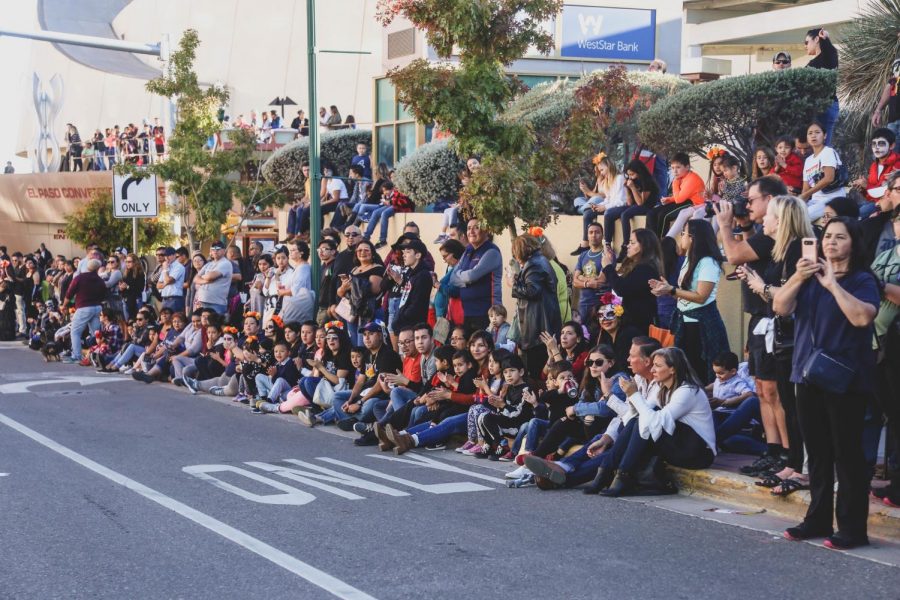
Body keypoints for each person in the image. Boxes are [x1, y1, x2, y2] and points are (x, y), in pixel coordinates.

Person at [774, 217, 879, 550]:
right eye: (827, 237)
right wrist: (798, 276)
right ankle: (817, 519)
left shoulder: (862, 279)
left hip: (845, 378)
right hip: (806, 374)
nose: (830, 243)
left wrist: (833, 284)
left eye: (839, 237)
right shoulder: (808, 277)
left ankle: (852, 529)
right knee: (817, 454)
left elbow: (862, 317)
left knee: (847, 455)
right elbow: (780, 306)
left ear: (854, 243)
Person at [715, 176, 790, 477]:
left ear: (770, 200)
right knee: (761, 389)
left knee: (773, 391)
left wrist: (724, 223)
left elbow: (734, 254)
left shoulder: (776, 238)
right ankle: (772, 451)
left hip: (773, 322)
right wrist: (745, 225)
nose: (747, 204)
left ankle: (786, 453)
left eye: (752, 199)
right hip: (758, 319)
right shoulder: (763, 234)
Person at [593, 347, 716, 497]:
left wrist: (634, 395)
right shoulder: (662, 388)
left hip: (698, 453)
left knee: (645, 422)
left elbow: (655, 422)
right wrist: (632, 398)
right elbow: (632, 419)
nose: (652, 370)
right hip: (679, 444)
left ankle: (623, 476)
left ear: (673, 370)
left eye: (658, 366)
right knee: (637, 422)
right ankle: (605, 471)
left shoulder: (688, 391)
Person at [650, 219, 728, 384]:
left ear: (693, 237)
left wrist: (671, 290)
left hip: (700, 324)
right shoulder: (688, 258)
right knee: (685, 371)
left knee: (700, 371)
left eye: (684, 233)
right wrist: (665, 289)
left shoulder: (707, 261)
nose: (681, 236)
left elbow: (701, 296)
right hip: (685, 322)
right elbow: (684, 293)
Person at [870, 207, 900, 507]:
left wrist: (881, 286)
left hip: (895, 339)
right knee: (892, 415)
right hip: (878, 343)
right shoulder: (887, 253)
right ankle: (894, 481)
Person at [509, 234, 561, 377]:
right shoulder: (542, 260)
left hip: (537, 327)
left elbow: (533, 290)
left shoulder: (533, 264)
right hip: (543, 323)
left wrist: (513, 285)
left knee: (535, 371)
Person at [601, 228, 664, 334]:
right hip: (632, 323)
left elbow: (621, 288)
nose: (628, 245)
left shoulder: (646, 268)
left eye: (632, 242)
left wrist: (608, 267)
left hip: (639, 326)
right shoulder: (636, 266)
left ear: (643, 246)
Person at [450, 218, 503, 332]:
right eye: (469, 228)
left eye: (476, 227)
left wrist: (463, 277)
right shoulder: (467, 250)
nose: (471, 231)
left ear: (486, 231)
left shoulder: (492, 251)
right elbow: (453, 278)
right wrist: (466, 279)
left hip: (488, 313)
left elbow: (472, 276)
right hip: (468, 312)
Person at [604, 159, 660, 260]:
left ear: (639, 172)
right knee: (609, 214)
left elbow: (640, 203)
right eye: (629, 175)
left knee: (625, 215)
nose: (630, 177)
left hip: (647, 206)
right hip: (635, 205)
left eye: (632, 174)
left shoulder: (647, 181)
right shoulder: (632, 181)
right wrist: (627, 189)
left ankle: (625, 245)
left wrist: (633, 187)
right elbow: (630, 202)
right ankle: (607, 243)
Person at [573, 154, 627, 254]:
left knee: (608, 213)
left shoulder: (619, 178)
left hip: (620, 206)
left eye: (602, 170)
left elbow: (620, 201)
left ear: (609, 166)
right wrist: (599, 206)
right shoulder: (608, 181)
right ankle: (586, 243)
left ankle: (607, 243)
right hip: (610, 205)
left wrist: (604, 207)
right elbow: (608, 198)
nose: (601, 173)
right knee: (588, 213)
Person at [644, 153, 705, 240]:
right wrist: (669, 199)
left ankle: (661, 243)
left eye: (678, 167)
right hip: (685, 200)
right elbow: (680, 196)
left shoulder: (692, 179)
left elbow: (679, 199)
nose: (675, 171)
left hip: (693, 203)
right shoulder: (682, 177)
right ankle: (649, 242)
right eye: (672, 168)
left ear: (687, 167)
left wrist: (675, 183)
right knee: (651, 213)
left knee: (664, 215)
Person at [61, 259, 107, 363]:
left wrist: (64, 305)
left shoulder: (80, 278)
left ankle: (77, 356)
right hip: (97, 307)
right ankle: (96, 355)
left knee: (75, 332)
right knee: (96, 333)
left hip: (83, 307)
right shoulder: (100, 280)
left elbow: (69, 293)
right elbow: (104, 294)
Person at [800, 121, 844, 222]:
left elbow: (829, 178)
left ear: (824, 136)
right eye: (810, 133)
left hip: (832, 198)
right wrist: (800, 201)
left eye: (817, 132)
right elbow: (805, 189)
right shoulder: (808, 160)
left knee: (801, 218)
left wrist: (806, 195)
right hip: (815, 201)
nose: (813, 136)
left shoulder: (827, 152)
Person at [389, 238, 433, 334]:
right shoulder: (412, 274)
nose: (404, 255)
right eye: (404, 252)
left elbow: (416, 305)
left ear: (418, 255)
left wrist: (400, 319)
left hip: (413, 328)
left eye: (408, 252)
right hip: (405, 326)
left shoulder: (423, 275)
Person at [804, 27, 839, 145]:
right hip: (815, 107)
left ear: (816, 39)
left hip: (826, 105)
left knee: (823, 144)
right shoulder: (812, 63)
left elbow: (830, 52)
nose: (805, 46)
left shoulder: (828, 57)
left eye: (807, 42)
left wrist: (825, 39)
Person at [573, 222, 611, 321]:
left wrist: (581, 277)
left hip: (600, 304)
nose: (594, 235)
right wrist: (587, 283)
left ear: (602, 235)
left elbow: (600, 281)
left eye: (597, 232)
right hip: (583, 304)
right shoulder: (583, 255)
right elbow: (575, 282)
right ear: (587, 235)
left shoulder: (607, 254)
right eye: (591, 232)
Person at [853, 127, 899, 207]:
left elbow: (885, 191)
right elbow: (872, 196)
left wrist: (867, 185)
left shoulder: (897, 164)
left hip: (889, 206)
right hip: (874, 203)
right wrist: (863, 190)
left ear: (892, 146)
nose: (876, 147)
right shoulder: (874, 166)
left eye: (881, 143)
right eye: (874, 144)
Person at [193, 241, 233, 315]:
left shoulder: (225, 263)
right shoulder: (208, 264)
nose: (215, 251)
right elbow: (195, 279)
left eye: (218, 249)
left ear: (224, 250)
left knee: (215, 325)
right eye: (213, 249)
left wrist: (204, 277)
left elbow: (210, 276)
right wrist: (206, 281)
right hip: (203, 301)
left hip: (216, 303)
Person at [872, 58, 900, 150]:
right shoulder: (897, 64)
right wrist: (878, 110)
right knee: (890, 154)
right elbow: (890, 86)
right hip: (893, 122)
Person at [156, 247, 185, 313]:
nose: (167, 258)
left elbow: (169, 280)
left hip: (174, 299)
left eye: (169, 255)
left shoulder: (179, 267)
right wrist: (165, 284)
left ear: (174, 255)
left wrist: (166, 269)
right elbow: (158, 285)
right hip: (165, 299)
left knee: (173, 320)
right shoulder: (167, 266)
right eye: (165, 256)